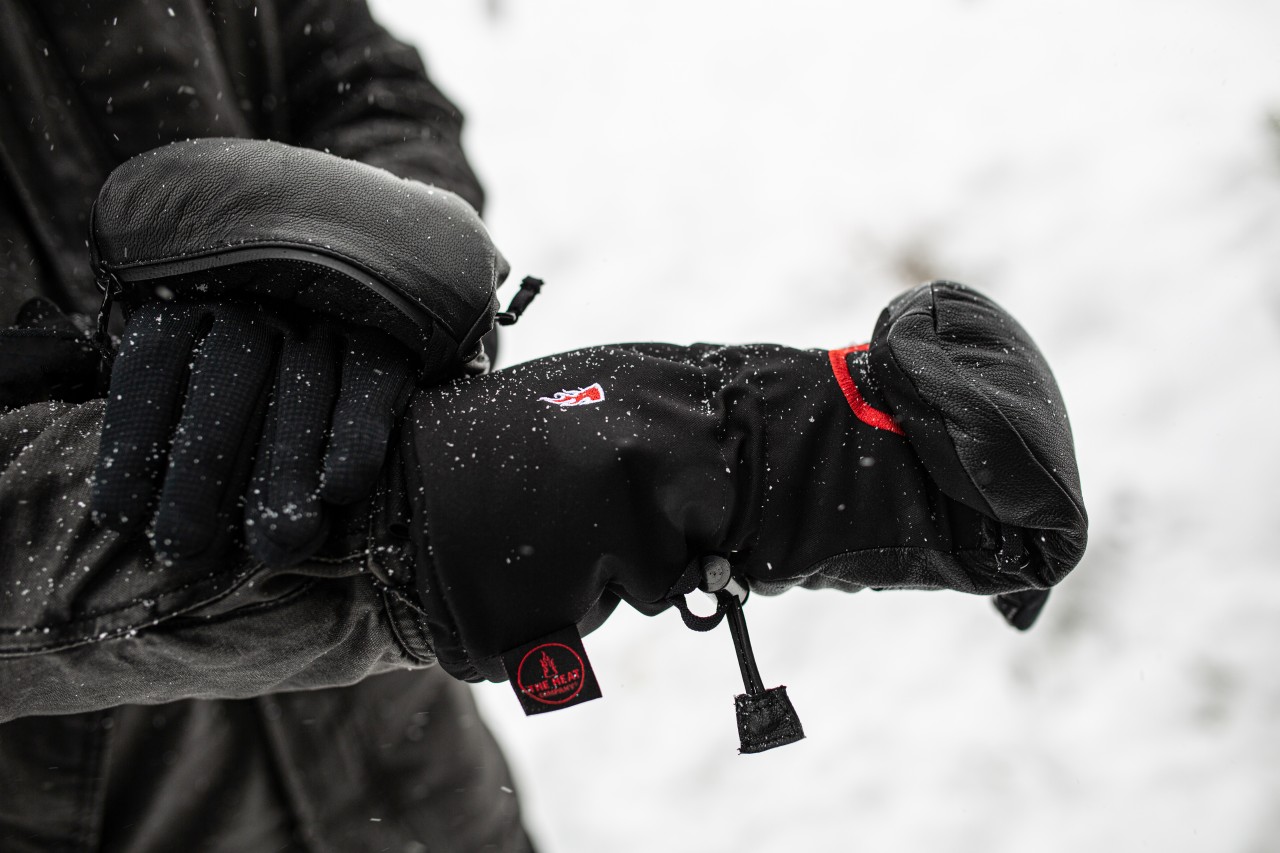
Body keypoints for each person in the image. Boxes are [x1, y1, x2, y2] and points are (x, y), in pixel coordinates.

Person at [0, 2, 1088, 851]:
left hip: (409, 773)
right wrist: (448, 502)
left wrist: (364, 271)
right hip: (100, 806)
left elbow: (362, 82)